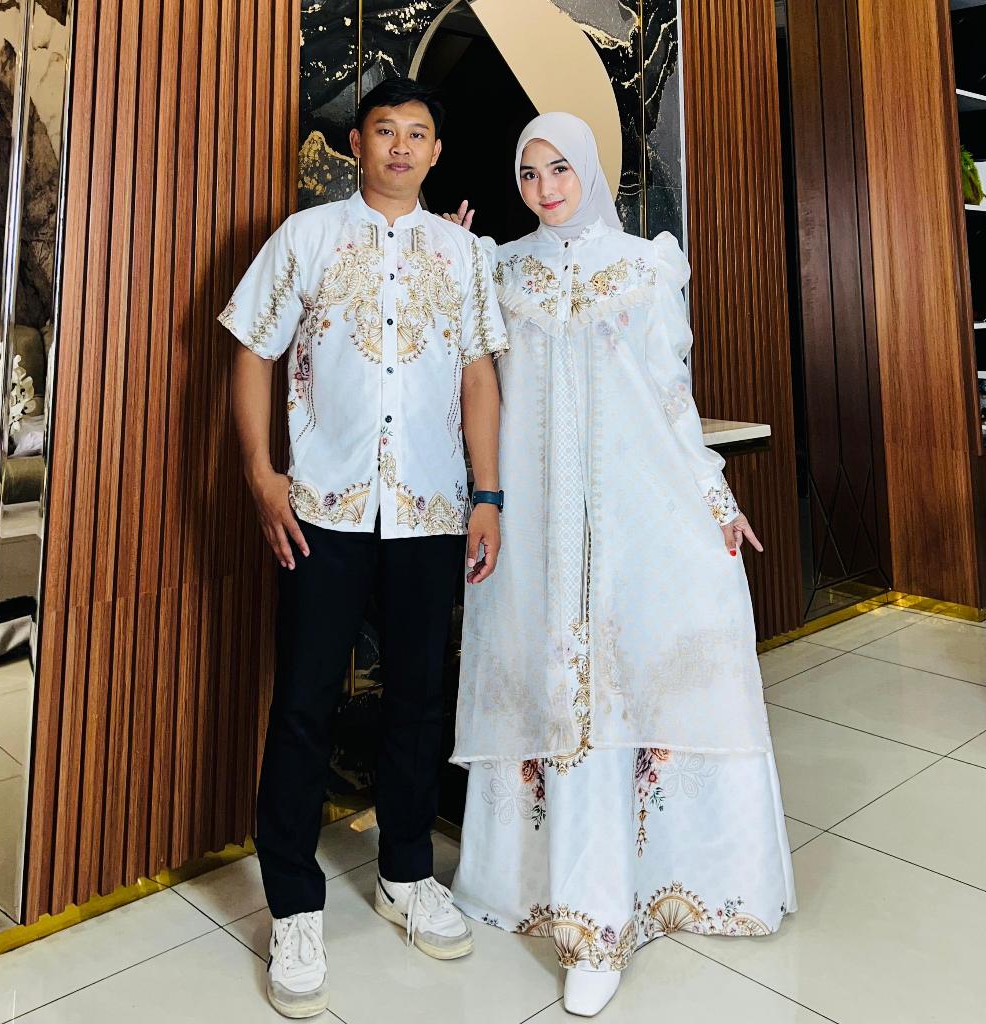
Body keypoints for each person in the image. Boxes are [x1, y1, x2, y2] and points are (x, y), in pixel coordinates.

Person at [444, 113, 796, 1018]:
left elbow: (671, 396)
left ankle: (615, 917)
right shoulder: (499, 269)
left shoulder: (646, 265)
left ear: (591, 169)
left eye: (561, 168)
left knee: (636, 676)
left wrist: (714, 496)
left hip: (635, 516)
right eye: (529, 173)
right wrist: (447, 258)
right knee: (550, 684)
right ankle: (552, 897)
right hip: (535, 527)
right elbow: (468, 382)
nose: (546, 187)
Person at [221, 77, 508, 1019]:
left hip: (429, 509)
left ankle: (407, 875)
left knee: (420, 700)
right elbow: (251, 350)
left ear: (436, 152)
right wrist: (262, 475)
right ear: (358, 144)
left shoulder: (463, 256)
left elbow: (478, 377)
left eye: (418, 133)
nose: (400, 146)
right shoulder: (305, 238)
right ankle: (294, 906)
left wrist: (488, 494)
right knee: (304, 703)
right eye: (385, 130)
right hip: (322, 508)